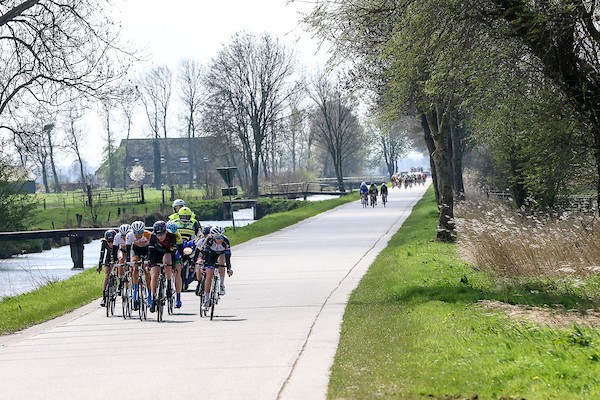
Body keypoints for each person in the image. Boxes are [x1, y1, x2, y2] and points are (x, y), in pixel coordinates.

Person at [147, 220, 178, 313]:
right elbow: (150, 252)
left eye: (162, 234)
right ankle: (153, 297)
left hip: (167, 252)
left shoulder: (171, 236)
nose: (160, 237)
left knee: (167, 260)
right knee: (154, 274)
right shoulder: (152, 237)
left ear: (166, 232)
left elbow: (173, 252)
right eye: (158, 234)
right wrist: (149, 263)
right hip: (156, 254)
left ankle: (168, 283)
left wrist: (173, 266)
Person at [201, 226, 233, 311]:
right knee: (209, 275)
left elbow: (228, 257)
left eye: (221, 237)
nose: (220, 239)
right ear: (213, 237)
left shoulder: (225, 241)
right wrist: (204, 265)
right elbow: (205, 255)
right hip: (211, 255)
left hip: (221, 254)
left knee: (222, 262)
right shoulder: (209, 240)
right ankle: (206, 299)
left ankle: (222, 284)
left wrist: (229, 268)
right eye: (218, 237)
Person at [126, 220, 152, 311]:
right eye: (136, 233)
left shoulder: (148, 235)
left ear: (143, 231)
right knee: (134, 267)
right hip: (136, 250)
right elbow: (128, 252)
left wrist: (149, 261)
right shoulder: (129, 236)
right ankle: (135, 291)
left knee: (146, 270)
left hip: (146, 250)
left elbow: (151, 250)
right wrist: (127, 263)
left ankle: (149, 294)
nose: (138, 235)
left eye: (140, 233)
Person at [97, 229, 118, 307]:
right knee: (106, 274)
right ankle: (104, 297)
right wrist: (99, 265)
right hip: (108, 258)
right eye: (108, 241)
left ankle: (117, 285)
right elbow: (102, 254)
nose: (111, 244)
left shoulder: (118, 242)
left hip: (116, 257)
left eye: (112, 241)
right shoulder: (104, 243)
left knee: (118, 269)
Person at [166, 220, 184, 308]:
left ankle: (178, 297)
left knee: (178, 273)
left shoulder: (178, 235)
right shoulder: (163, 234)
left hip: (175, 253)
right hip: (165, 252)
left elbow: (180, 250)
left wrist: (181, 261)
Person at [113, 223, 130, 295]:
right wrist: (114, 259)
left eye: (125, 235)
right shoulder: (117, 237)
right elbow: (115, 249)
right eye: (122, 235)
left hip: (130, 250)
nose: (124, 237)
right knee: (121, 259)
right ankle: (120, 280)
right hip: (122, 250)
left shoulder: (131, 236)